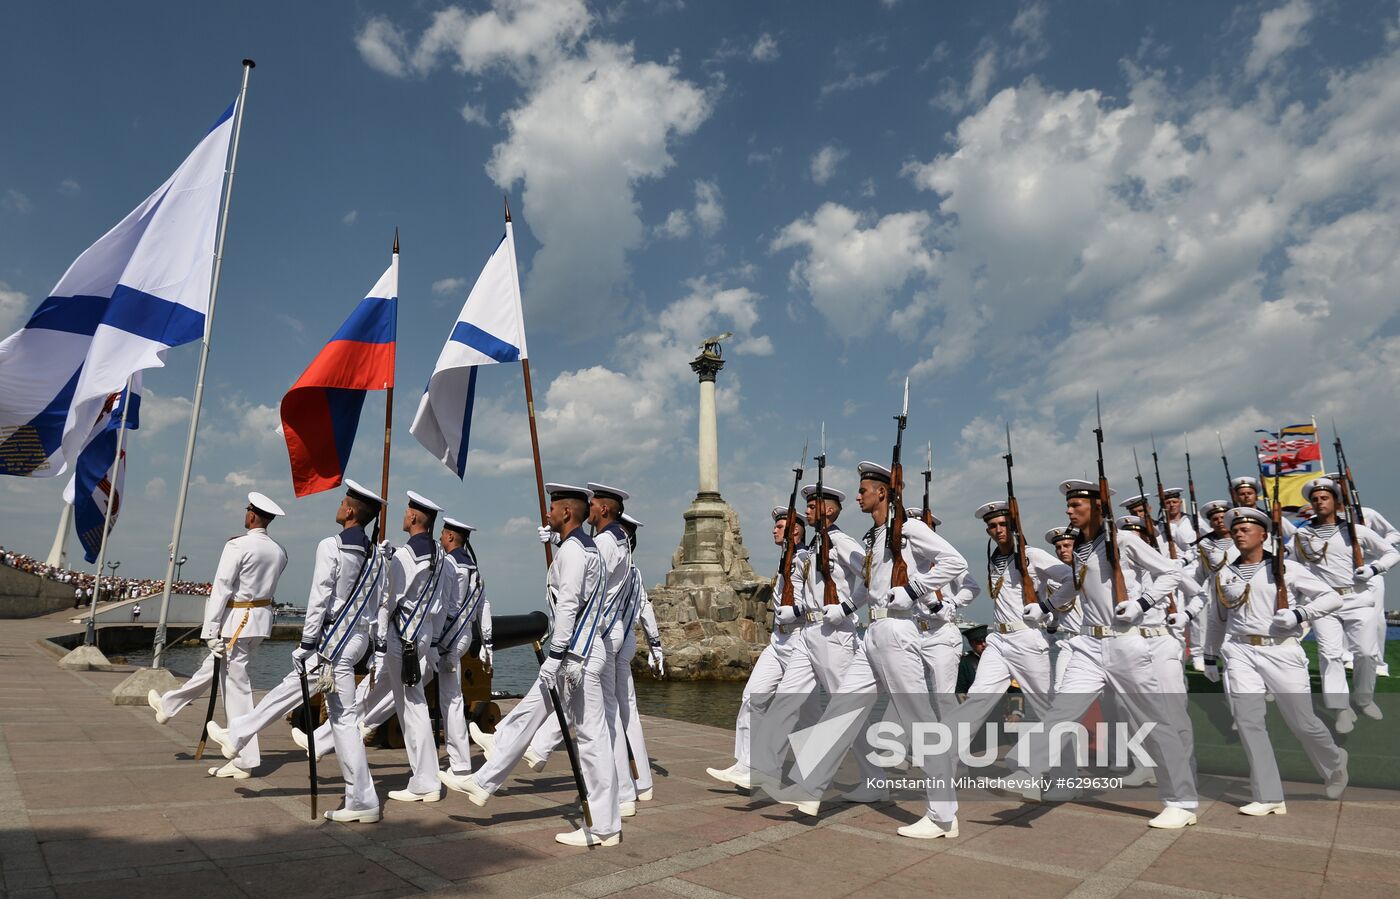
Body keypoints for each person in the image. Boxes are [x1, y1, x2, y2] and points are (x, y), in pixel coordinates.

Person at [779, 461, 967, 841]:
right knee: (842, 705)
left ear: (883, 491)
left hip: (899, 632)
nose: (859, 495)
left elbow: (955, 562)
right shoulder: (875, 536)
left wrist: (915, 589)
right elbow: (867, 585)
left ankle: (943, 815)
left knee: (920, 724)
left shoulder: (909, 528)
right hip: (872, 633)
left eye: (864, 490)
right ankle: (811, 788)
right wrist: (847, 607)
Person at [439, 483, 621, 847]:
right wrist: (558, 545)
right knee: (528, 716)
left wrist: (555, 656)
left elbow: (569, 605)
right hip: (579, 654)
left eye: (553, 510)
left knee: (591, 741)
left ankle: (604, 826)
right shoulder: (584, 547)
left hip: (574, 658)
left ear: (566, 513)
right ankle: (484, 781)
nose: (548, 515)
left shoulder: (574, 552)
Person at [1021, 479, 1198, 829]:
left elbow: (1172, 572)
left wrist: (1142, 603)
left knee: (1154, 722)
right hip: (1088, 643)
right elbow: (1075, 583)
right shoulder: (1084, 547)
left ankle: (1182, 801)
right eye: (1068, 505)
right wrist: (1045, 607)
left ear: (1097, 507)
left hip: (1124, 642)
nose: (1069, 510)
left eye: (1077, 505)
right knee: (1062, 709)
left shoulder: (1124, 539)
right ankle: (1028, 770)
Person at [207, 480, 384, 821]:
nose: (338, 506)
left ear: (349, 511)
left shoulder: (331, 546)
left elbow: (319, 598)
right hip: (357, 638)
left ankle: (239, 734)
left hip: (332, 641)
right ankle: (363, 800)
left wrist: (306, 642)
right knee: (343, 720)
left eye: (342, 501)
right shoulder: (376, 554)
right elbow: (376, 606)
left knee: (293, 690)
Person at [1203, 507, 1349, 814]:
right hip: (1240, 651)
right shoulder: (1225, 573)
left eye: (1246, 529)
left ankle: (1335, 762)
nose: (1239, 533)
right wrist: (1210, 655)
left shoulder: (1286, 568)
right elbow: (1217, 619)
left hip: (1281, 650)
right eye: (1236, 529)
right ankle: (1269, 796)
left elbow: (1332, 597)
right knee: (1248, 721)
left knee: (1303, 723)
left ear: (1263, 536)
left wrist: (1299, 614)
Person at [148, 492, 288, 779]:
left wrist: (210, 629)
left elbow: (222, 587)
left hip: (237, 621)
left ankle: (244, 758)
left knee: (236, 687)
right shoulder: (279, 550)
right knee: (216, 668)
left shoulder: (237, 546)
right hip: (259, 622)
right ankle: (169, 704)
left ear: (251, 515)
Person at [1289, 478, 1399, 732]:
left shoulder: (1355, 531)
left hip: (1358, 598)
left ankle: (1363, 698)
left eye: (1324, 498)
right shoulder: (1302, 534)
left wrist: (1374, 569)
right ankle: (1340, 708)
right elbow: (1290, 563)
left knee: (1366, 652)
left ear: (1336, 502)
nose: (1319, 502)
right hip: (1325, 602)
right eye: (1315, 499)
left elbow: (1392, 553)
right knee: (1330, 654)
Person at [709, 506, 807, 790]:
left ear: (795, 530)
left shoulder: (805, 559)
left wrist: (797, 610)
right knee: (753, 696)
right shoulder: (784, 560)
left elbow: (817, 600)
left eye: (780, 527)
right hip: (778, 641)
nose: (773, 531)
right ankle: (746, 764)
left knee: (799, 712)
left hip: (800, 639)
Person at [435, 517, 488, 786]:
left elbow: (441, 604)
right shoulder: (474, 569)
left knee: (450, 701)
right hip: (463, 636)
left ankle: (459, 764)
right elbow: (484, 607)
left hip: (446, 638)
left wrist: (432, 639)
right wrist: (487, 644)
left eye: (443, 535)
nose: (441, 539)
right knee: (450, 699)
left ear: (452, 538)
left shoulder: (449, 564)